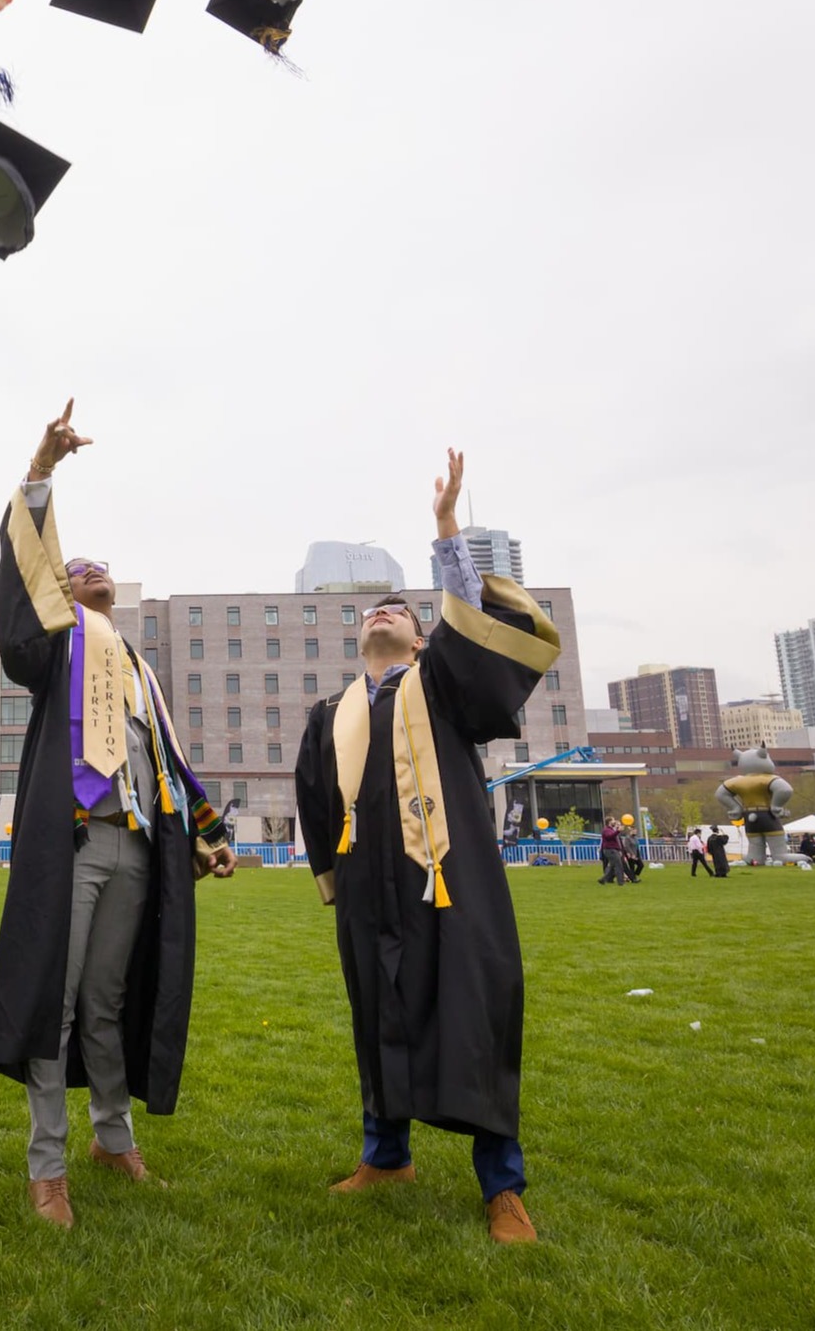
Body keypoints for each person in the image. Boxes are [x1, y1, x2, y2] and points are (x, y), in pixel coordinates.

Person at [295, 447, 561, 1245]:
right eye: (372, 611)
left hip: (450, 881)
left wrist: (445, 529)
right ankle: (386, 1154)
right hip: (367, 891)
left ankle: (502, 1186)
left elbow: (473, 630)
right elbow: (316, 805)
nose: (383, 612)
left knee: (473, 1014)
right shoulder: (330, 713)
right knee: (376, 1015)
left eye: (399, 611)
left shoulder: (441, 683)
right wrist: (331, 885)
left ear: (421, 638)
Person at [0, 403, 237, 1231]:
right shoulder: (55, 651)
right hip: (73, 843)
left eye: (103, 568)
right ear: (62, 589)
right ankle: (45, 1167)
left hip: (134, 848)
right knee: (54, 1004)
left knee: (106, 999)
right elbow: (22, 599)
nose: (94, 572)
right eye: (78, 567)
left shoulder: (135, 670)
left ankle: (111, 1138)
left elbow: (167, 757)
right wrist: (42, 470)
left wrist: (206, 831)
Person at [598, 816, 627, 886]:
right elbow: (609, 837)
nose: (615, 821)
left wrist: (619, 850)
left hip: (613, 850)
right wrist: (618, 831)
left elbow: (615, 840)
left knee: (612, 866)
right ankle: (621, 882)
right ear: (609, 822)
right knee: (619, 865)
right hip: (610, 850)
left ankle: (603, 879)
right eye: (613, 820)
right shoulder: (606, 830)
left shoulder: (611, 830)